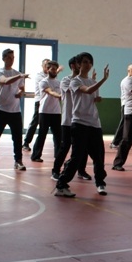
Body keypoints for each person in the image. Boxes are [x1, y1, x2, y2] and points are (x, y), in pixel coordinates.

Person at [52, 52, 110, 197]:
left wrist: (97, 98)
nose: (87, 64)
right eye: (84, 62)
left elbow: (94, 96)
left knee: (98, 156)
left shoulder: (92, 81)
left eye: (90, 62)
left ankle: (100, 183)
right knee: (77, 157)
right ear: (78, 64)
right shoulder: (74, 81)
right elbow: (87, 90)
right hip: (79, 123)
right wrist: (103, 79)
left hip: (94, 123)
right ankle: (61, 185)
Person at [30, 60, 62, 163]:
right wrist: (60, 96)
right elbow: (50, 92)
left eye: (55, 69)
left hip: (56, 112)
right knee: (42, 134)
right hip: (44, 112)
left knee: (58, 136)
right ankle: (36, 155)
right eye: (52, 69)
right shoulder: (43, 82)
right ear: (47, 70)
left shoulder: (59, 82)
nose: (54, 71)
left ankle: (58, 156)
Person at [112, 64, 132, 149]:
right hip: (126, 104)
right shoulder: (125, 80)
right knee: (123, 123)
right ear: (128, 70)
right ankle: (115, 142)